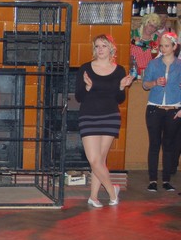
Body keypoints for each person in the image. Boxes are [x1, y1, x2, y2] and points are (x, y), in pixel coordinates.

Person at [75, 34, 133, 207]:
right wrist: (87, 87)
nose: (100, 49)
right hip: (88, 115)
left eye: (104, 46)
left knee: (100, 160)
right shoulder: (85, 68)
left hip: (110, 117)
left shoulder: (119, 70)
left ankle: (93, 197)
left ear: (111, 48)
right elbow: (78, 97)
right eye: (97, 46)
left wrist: (121, 87)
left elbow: (120, 99)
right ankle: (112, 191)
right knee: (94, 160)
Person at [142, 32, 181, 192]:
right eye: (161, 46)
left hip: (173, 110)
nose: (163, 49)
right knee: (154, 144)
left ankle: (166, 180)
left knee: (169, 146)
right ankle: (152, 180)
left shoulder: (180, 65)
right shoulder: (153, 64)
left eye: (166, 46)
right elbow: (145, 85)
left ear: (174, 46)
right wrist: (155, 82)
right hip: (154, 108)